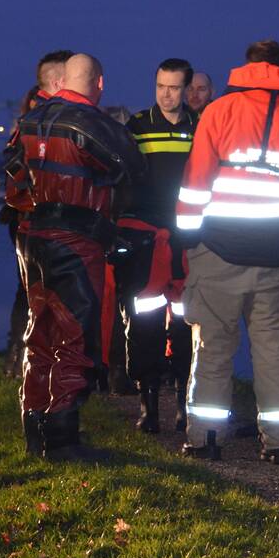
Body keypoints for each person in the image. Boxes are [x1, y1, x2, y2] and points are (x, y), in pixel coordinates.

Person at [175, 40, 279, 464]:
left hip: (219, 250)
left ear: (248, 66)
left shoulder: (219, 111)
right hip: (278, 257)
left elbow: (196, 181)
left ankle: (206, 438)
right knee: (275, 348)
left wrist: (187, 235)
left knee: (212, 346)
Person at [4, 53, 145, 461]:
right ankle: (63, 439)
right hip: (77, 238)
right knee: (74, 335)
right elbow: (134, 169)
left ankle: (35, 428)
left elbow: (13, 182)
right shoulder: (94, 124)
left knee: (41, 329)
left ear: (63, 79)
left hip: (31, 237)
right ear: (99, 83)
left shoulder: (29, 121)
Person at [114, 58, 198, 433]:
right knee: (144, 321)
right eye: (161, 86)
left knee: (186, 322)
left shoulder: (201, 127)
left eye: (175, 88)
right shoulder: (137, 126)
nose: (167, 95)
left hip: (186, 238)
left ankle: (183, 402)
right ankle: (148, 407)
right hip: (146, 240)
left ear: (187, 89)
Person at [1, 52, 75, 379]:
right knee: (39, 292)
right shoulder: (46, 122)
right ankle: (30, 362)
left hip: (30, 221)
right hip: (38, 222)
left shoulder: (31, 123)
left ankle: (24, 361)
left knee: (32, 291)